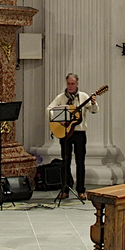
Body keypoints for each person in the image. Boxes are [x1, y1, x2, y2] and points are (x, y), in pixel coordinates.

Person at [47, 73, 95, 201]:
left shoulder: (83, 96)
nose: (70, 86)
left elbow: (94, 110)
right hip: (65, 133)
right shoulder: (61, 97)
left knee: (80, 162)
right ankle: (65, 189)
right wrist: (59, 119)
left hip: (79, 133)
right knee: (65, 161)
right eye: (68, 84)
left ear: (77, 84)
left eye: (73, 84)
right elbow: (49, 109)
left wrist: (94, 103)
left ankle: (81, 190)